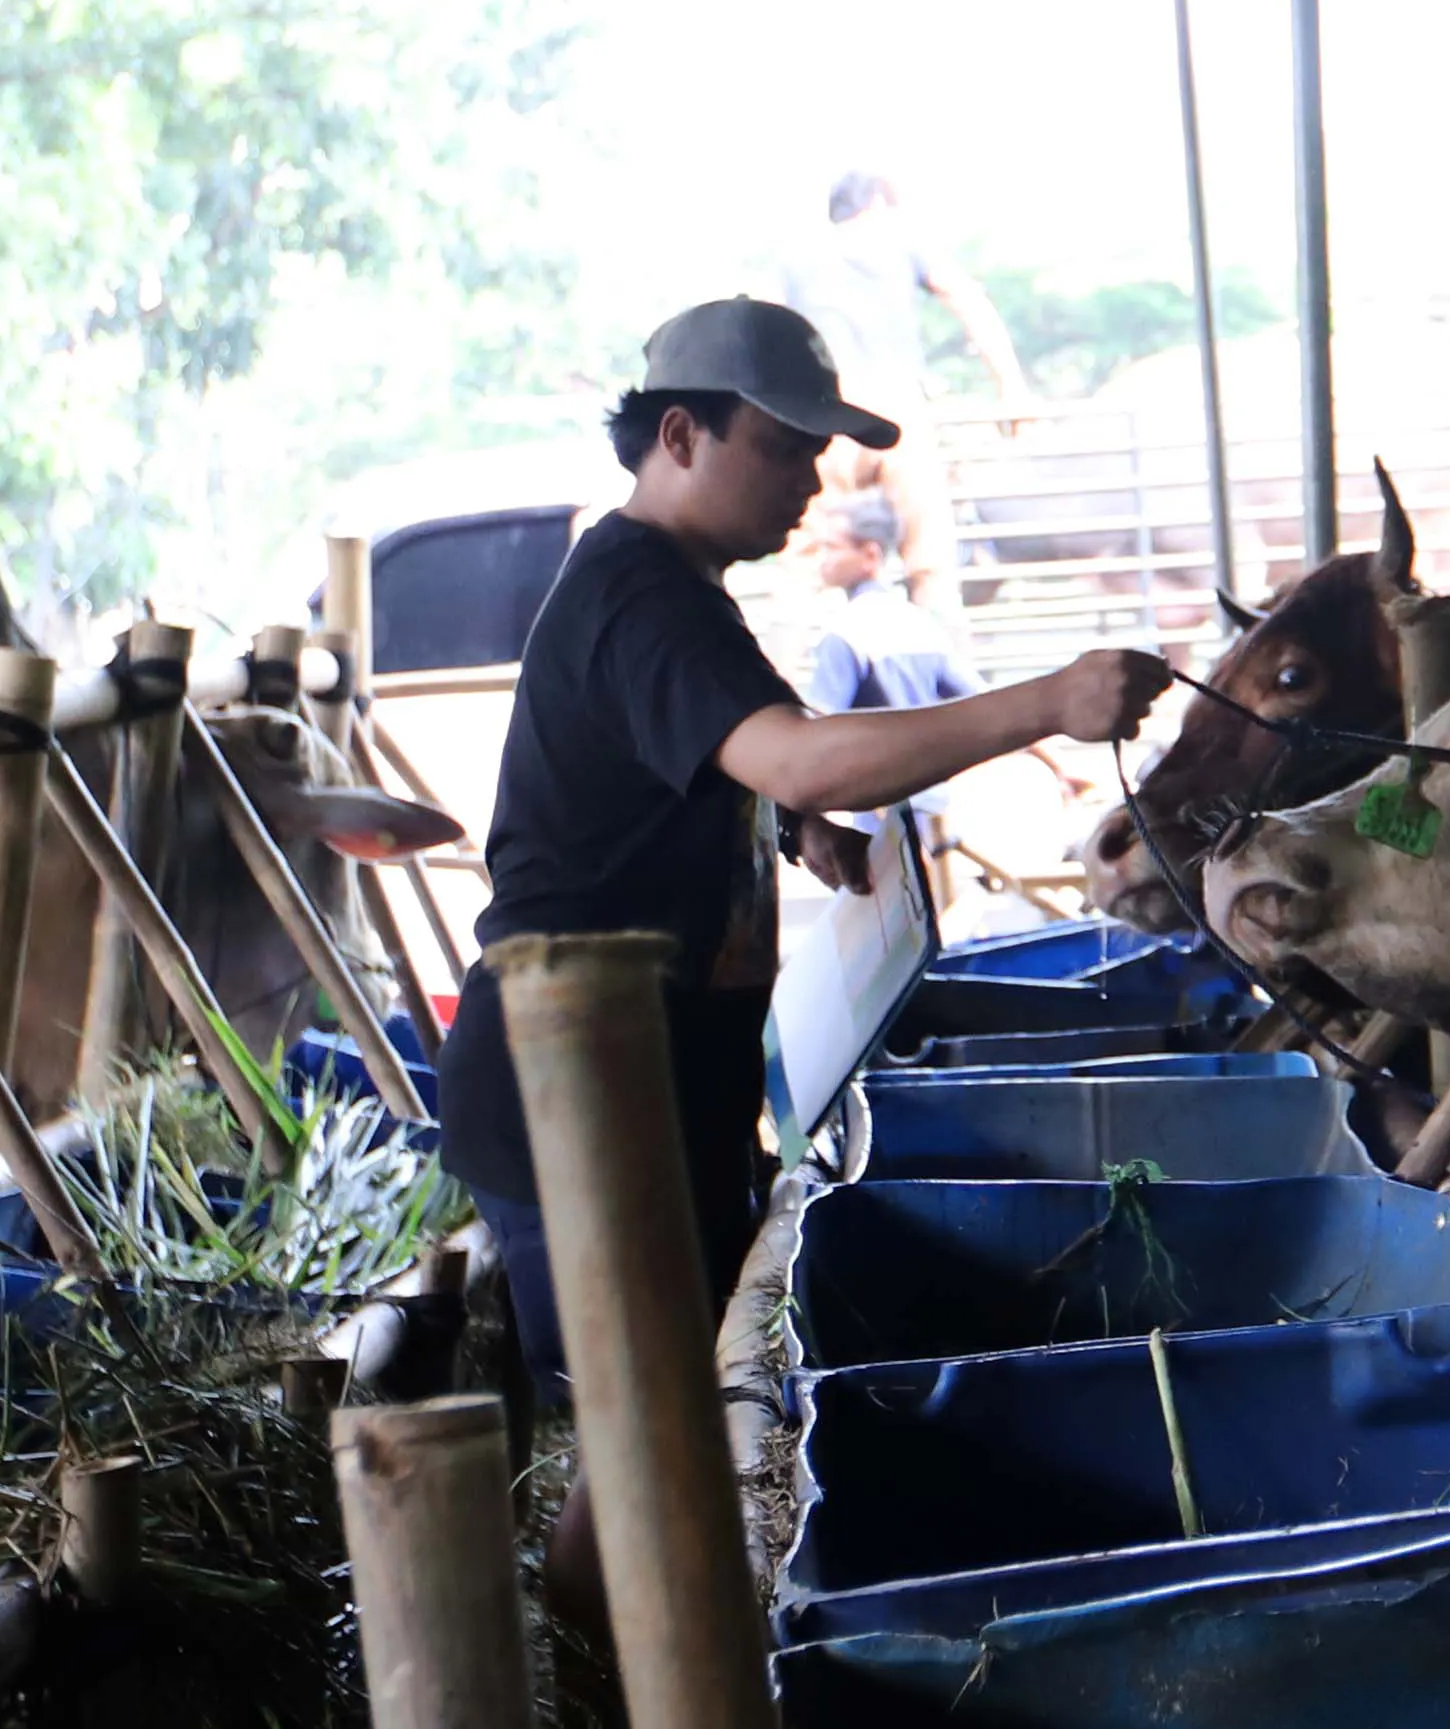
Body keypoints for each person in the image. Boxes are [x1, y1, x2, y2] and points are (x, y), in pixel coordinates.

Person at [443, 297, 1160, 1370]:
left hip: (644, 1081)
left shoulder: (674, 587)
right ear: (681, 437)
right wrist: (1044, 704)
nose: (809, 484)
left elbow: (726, 767)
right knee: (655, 1432)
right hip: (573, 1088)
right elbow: (792, 749)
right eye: (783, 450)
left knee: (677, 1419)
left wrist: (791, 822)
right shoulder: (640, 598)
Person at [786, 170, 1030, 615]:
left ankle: (777, 675)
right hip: (896, 408)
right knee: (930, 557)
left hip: (823, 413)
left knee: (805, 558)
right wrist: (1011, 387)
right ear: (878, 205)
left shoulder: (799, 259)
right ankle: (950, 678)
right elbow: (966, 299)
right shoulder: (900, 242)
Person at [792, 491, 978, 713]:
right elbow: (979, 702)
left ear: (871, 555)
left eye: (832, 548)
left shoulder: (845, 632)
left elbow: (822, 723)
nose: (822, 559)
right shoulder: (921, 625)